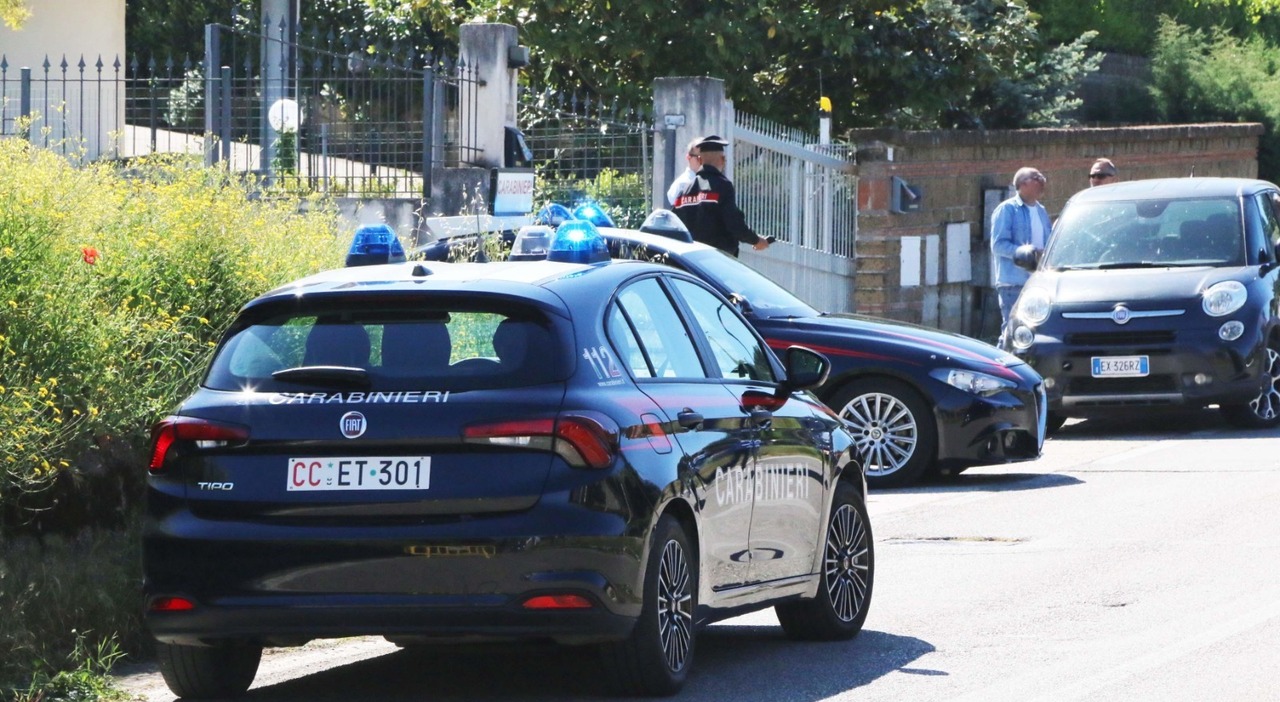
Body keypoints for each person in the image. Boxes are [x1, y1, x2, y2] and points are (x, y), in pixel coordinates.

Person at [672, 135, 770, 257]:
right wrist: (757, 240)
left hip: (690, 261)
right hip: (717, 260)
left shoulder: (685, 190)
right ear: (722, 159)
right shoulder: (723, 186)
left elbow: (674, 224)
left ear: (700, 160)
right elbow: (734, 224)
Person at [990, 167, 1051, 342]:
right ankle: (1000, 368)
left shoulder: (1041, 210)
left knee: (1036, 333)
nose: (1043, 181)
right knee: (1011, 331)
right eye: (1037, 177)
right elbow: (998, 245)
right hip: (1013, 284)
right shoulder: (1007, 210)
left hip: (1038, 284)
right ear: (1023, 183)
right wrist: (1025, 254)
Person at [666, 137, 701, 207]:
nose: (703, 161)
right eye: (699, 158)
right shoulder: (681, 185)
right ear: (688, 157)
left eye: (706, 157)